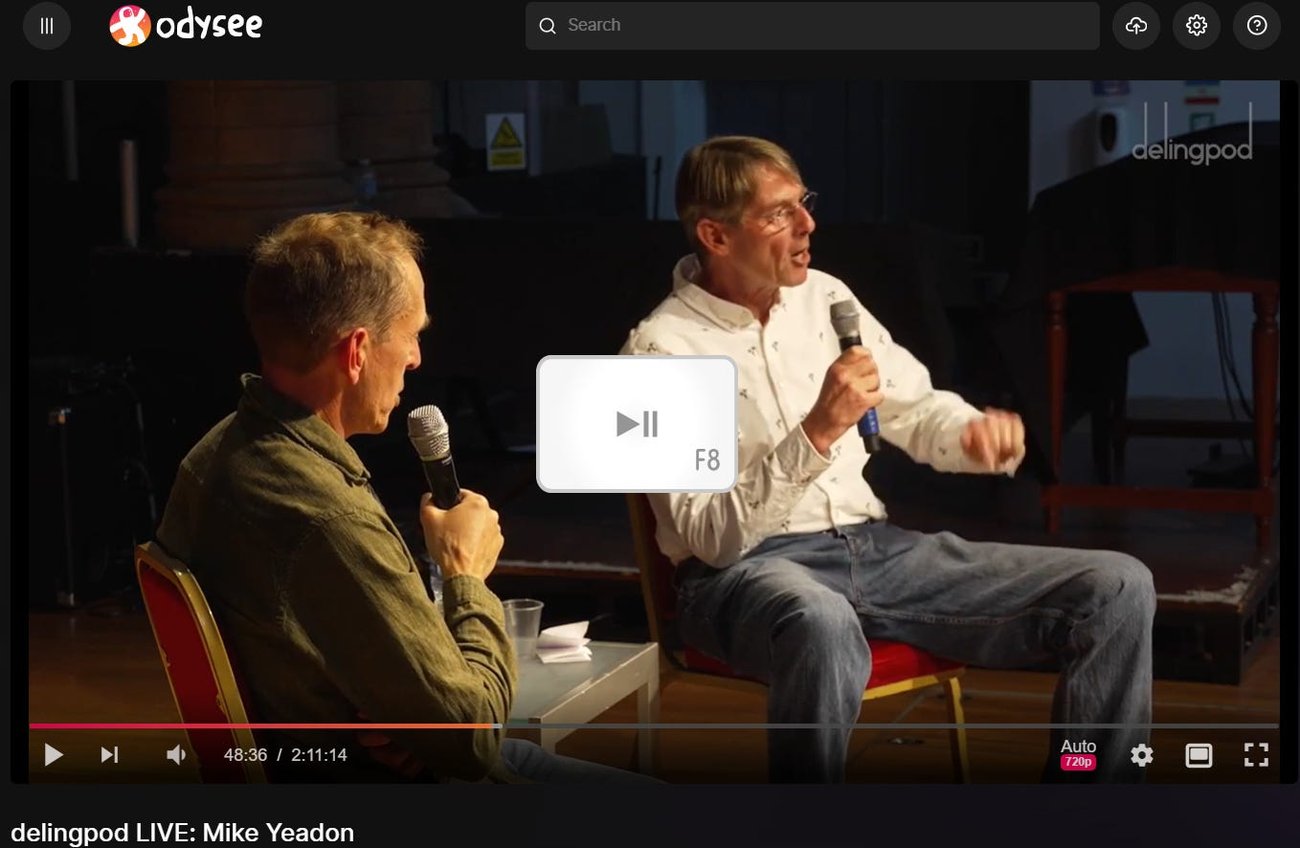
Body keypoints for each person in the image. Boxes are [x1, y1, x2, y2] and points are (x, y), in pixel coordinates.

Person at [620, 136, 1156, 783]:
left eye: (804, 203)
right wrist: (818, 429)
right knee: (820, 619)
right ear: (716, 235)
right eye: (779, 213)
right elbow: (711, 538)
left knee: (1116, 587)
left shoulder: (825, 299)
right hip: (743, 575)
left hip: (875, 553)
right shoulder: (660, 352)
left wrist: (969, 434)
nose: (808, 224)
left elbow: (914, 407)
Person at [157, 211, 650, 784]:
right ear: (357, 350)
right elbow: (471, 738)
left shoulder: (216, 453)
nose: (416, 357)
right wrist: (465, 573)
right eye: (411, 333)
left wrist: (406, 710)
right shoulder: (328, 517)